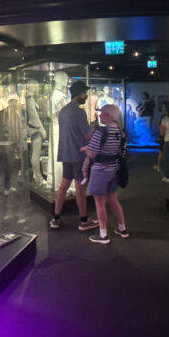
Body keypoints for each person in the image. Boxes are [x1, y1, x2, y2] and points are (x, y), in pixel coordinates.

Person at [50, 80, 99, 231]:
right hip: (78, 155)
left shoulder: (64, 111)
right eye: (85, 93)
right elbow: (87, 134)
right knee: (80, 188)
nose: (86, 96)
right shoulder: (79, 112)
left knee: (64, 186)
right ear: (79, 94)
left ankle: (56, 219)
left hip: (66, 154)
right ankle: (84, 221)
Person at [81, 104, 128, 244]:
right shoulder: (120, 131)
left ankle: (103, 235)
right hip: (114, 169)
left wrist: (85, 149)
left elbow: (93, 153)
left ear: (109, 116)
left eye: (102, 113)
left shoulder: (100, 132)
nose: (100, 115)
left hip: (100, 170)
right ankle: (122, 229)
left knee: (100, 203)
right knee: (113, 199)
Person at [159, 102, 169, 181]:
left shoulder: (164, 119)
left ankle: (168, 176)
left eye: (163, 106)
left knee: (167, 159)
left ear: (167, 108)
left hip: (167, 140)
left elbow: (162, 133)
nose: (162, 108)